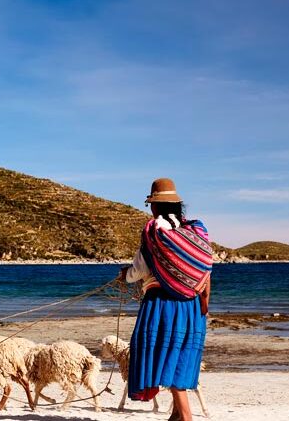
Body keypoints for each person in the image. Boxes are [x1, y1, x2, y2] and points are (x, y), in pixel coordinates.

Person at [116, 178, 211, 421]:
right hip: (192, 307)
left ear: (154, 206)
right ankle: (177, 417)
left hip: (162, 305)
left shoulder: (155, 234)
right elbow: (204, 272)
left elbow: (138, 271)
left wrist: (124, 275)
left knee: (167, 361)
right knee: (179, 357)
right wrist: (204, 304)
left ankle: (187, 418)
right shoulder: (195, 232)